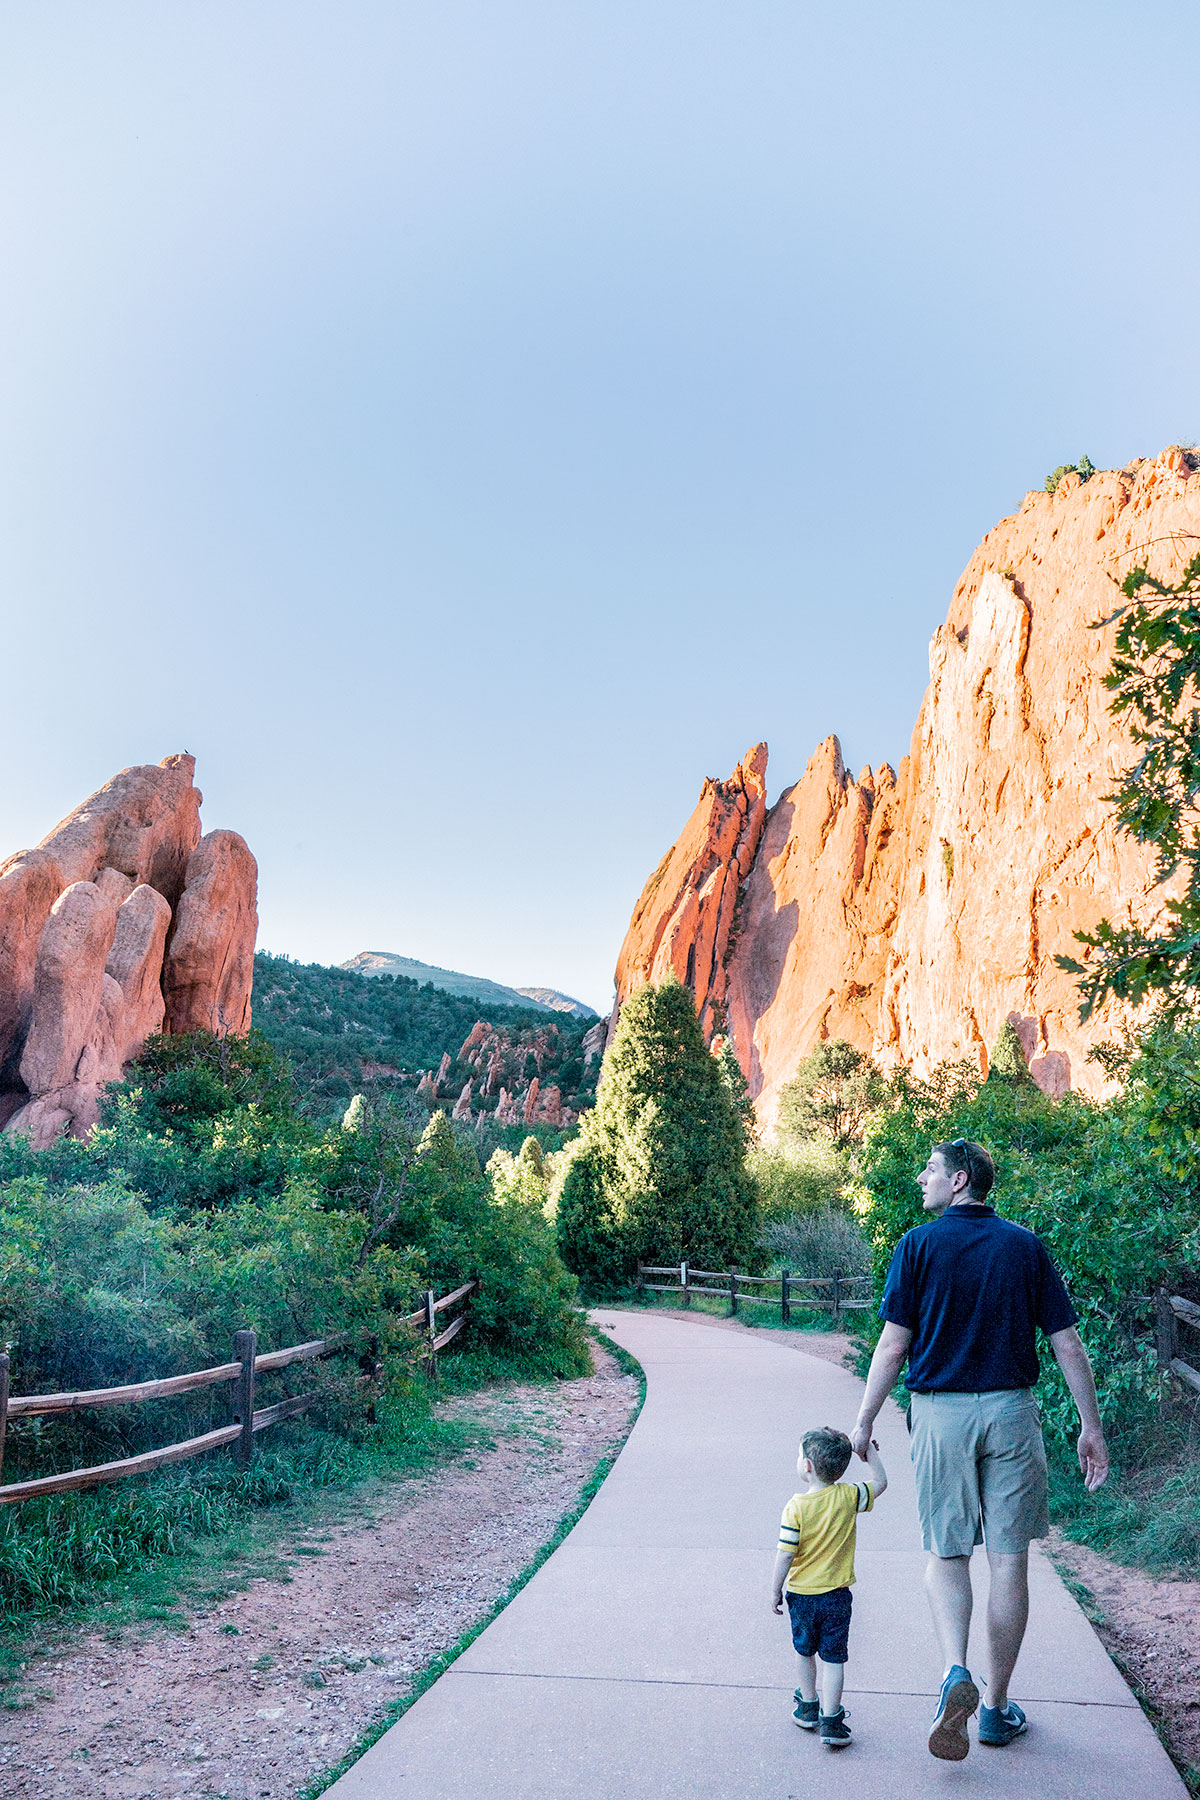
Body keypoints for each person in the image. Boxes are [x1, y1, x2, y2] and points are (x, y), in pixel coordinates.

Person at [849, 1137, 1108, 1761]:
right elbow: (1068, 1345)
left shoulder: (917, 1245)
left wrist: (863, 1421)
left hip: (939, 1417)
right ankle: (994, 1710)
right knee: (1010, 1561)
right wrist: (1090, 1427)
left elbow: (892, 1346)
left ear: (960, 1180)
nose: (921, 1178)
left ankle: (954, 1671)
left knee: (947, 1552)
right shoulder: (1024, 1246)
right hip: (1012, 1413)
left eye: (931, 1168)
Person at [771, 1424, 888, 1749]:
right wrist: (870, 1453)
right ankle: (831, 1721)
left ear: (807, 1466)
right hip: (837, 1595)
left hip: (802, 1595)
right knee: (834, 1658)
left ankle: (808, 1706)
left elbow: (785, 1554)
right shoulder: (848, 1496)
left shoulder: (796, 1507)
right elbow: (881, 1483)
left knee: (805, 1651)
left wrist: (774, 1589)